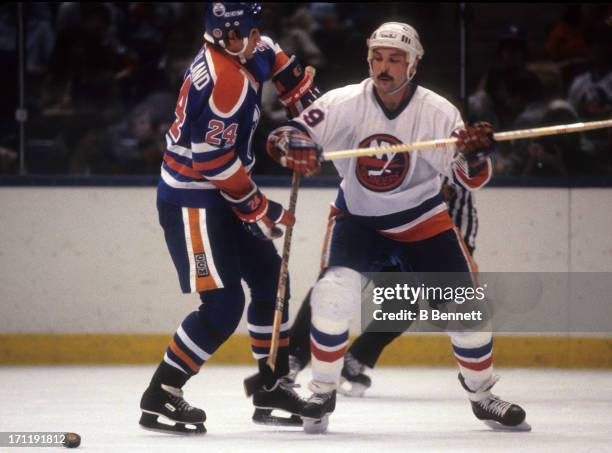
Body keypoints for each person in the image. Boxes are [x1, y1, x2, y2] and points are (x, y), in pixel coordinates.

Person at [266, 22, 529, 433]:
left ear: (413, 65)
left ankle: (482, 395)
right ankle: (321, 393)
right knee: (334, 297)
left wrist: (474, 158)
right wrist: (291, 144)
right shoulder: (343, 102)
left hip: (421, 220)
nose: (384, 67)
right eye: (377, 58)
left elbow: (468, 179)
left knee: (466, 311)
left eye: (395, 59)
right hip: (357, 220)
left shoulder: (439, 112)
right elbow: (289, 133)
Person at [138, 2, 320, 434]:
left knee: (271, 279)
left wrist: (308, 114)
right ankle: (162, 393)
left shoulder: (246, 47)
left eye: (253, 32)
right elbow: (213, 161)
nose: (251, 40)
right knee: (223, 305)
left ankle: (269, 386)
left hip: (220, 192)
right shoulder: (226, 81)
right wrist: (259, 206)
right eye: (242, 34)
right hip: (192, 200)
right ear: (222, 35)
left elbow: (280, 63)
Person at [285, 177, 479, 398]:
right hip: (374, 229)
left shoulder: (454, 182)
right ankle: (291, 357)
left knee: (404, 305)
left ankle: (354, 360)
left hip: (420, 240)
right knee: (334, 289)